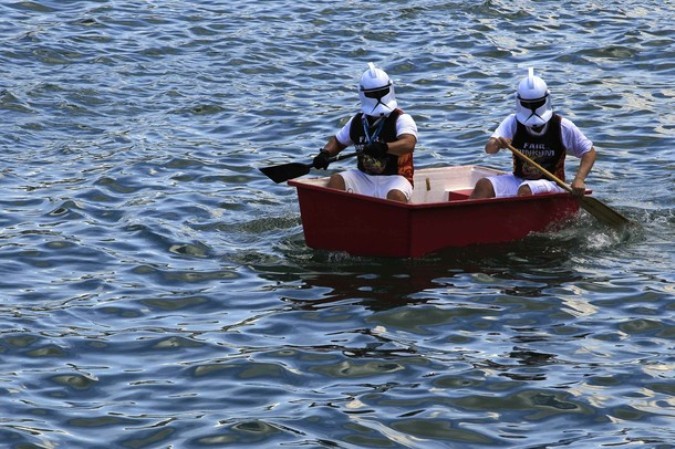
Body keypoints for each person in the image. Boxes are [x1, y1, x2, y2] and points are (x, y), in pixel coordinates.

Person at [470, 68, 597, 199]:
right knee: (484, 185)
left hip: (552, 183)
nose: (532, 109)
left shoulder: (562, 126)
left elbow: (589, 152)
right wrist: (497, 143)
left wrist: (579, 179)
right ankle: (469, 218)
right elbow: (489, 149)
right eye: (527, 104)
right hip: (519, 179)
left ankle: (518, 218)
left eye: (537, 104)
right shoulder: (512, 122)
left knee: (526, 190)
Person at [311, 63, 418, 203]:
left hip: (396, 179)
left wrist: (384, 148)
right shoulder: (357, 121)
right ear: (363, 94)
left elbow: (409, 143)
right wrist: (325, 153)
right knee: (337, 180)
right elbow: (337, 142)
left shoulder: (401, 118)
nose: (378, 97)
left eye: (382, 92)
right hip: (364, 177)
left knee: (396, 196)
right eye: (373, 94)